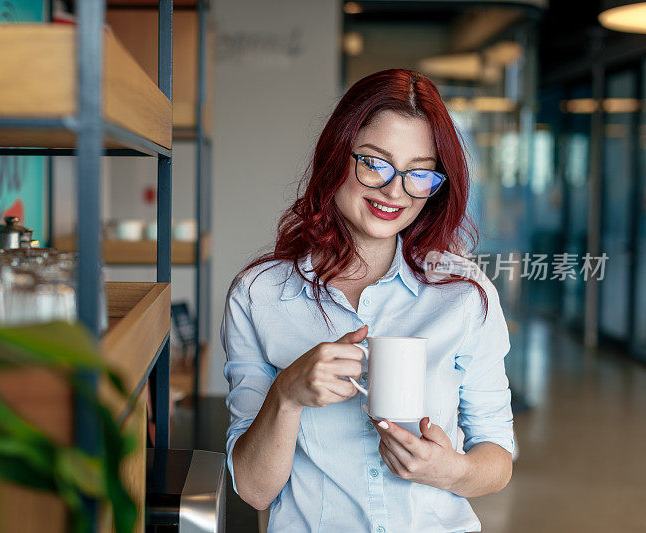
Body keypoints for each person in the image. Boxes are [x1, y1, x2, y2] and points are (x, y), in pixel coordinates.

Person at [220, 69, 515, 532]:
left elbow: (497, 457)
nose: (394, 190)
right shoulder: (260, 295)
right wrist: (287, 395)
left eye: (419, 172)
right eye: (374, 162)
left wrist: (450, 470)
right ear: (336, 157)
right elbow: (255, 491)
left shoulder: (463, 295)